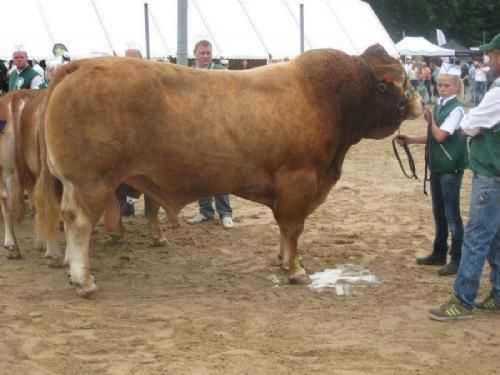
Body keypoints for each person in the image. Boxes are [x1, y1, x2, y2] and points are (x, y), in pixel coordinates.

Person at [429, 34, 500, 321]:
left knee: (477, 236)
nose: (488, 60)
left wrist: (477, 126)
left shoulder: (497, 91)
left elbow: (469, 125)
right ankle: (497, 294)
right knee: (495, 237)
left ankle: (462, 300)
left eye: (491, 55)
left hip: (490, 173)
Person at [397, 64, 468, 276]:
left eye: (446, 86)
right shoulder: (441, 105)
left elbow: (440, 136)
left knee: (452, 215)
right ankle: (439, 252)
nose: (441, 88)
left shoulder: (456, 109)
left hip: (450, 168)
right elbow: (433, 137)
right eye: (440, 85)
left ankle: (457, 258)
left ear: (455, 88)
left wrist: (430, 120)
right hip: (439, 167)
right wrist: (410, 139)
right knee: (439, 213)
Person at [186, 40, 233, 229]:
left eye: (208, 53)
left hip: (218, 128)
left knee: (220, 170)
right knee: (200, 171)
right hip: (196, 129)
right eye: (202, 53)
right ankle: (205, 210)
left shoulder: (221, 71)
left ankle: (226, 213)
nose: (206, 56)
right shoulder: (188, 73)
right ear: (195, 53)